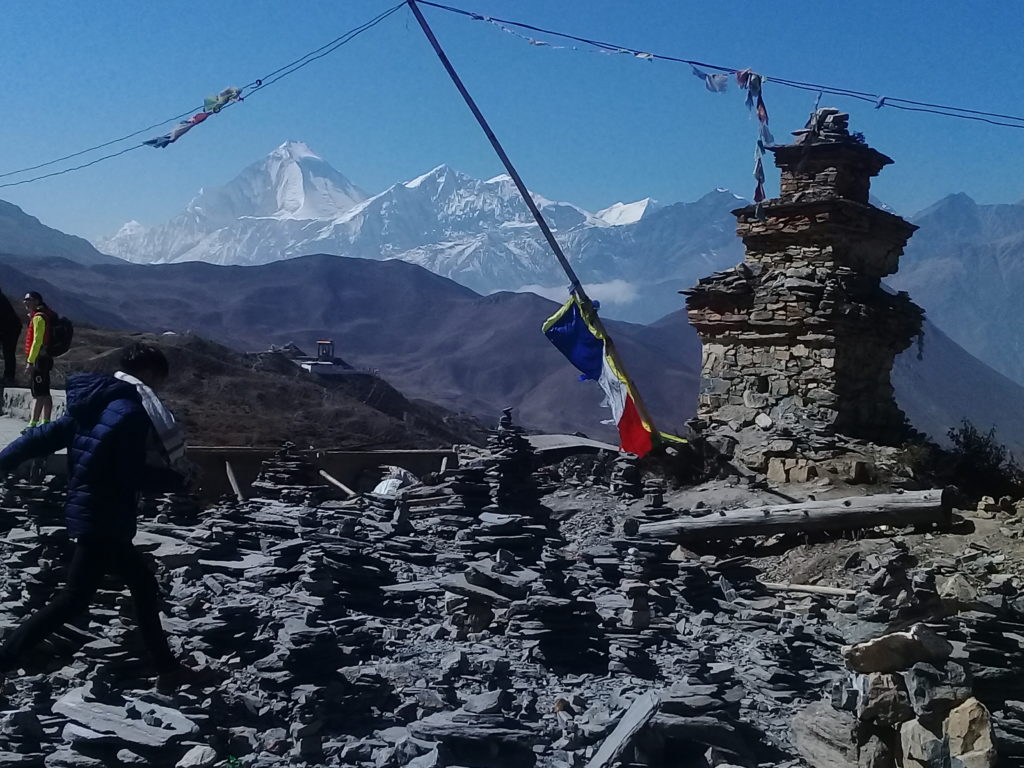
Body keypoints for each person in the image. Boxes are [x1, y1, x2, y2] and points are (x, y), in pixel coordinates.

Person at [0, 342, 206, 689]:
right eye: (159, 380)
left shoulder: (94, 401)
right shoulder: (130, 411)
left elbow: (43, 436)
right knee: (75, 598)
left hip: (91, 510)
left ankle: (168, 669)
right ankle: (5, 660)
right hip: (106, 515)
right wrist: (176, 480)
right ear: (151, 374)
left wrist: (4, 461)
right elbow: (126, 472)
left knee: (136, 586)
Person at [22, 291, 54, 427]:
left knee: (38, 392)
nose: (25, 302)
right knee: (45, 391)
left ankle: (33, 423)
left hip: (39, 359)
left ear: (36, 301)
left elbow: (37, 341)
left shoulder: (38, 318)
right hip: (45, 358)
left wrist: (30, 361)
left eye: (28, 299)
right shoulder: (44, 315)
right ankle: (45, 421)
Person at [0, 291, 22, 385]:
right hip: (7, 327)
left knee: (8, 352)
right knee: (8, 352)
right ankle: (8, 377)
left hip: (10, 328)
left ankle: (9, 377)